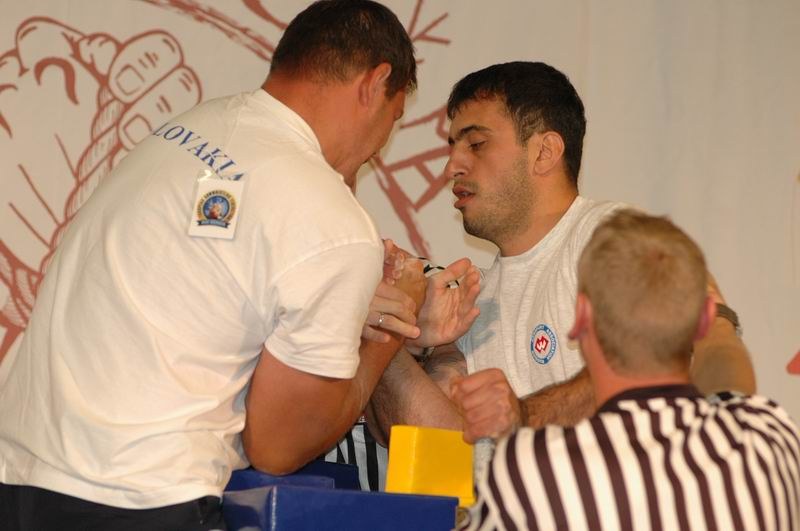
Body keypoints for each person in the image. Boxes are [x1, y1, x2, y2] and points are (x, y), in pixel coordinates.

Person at [0, 1, 427, 529]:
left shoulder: (186, 129)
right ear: (375, 82)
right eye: (396, 115)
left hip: (20, 471)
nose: (380, 145)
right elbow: (278, 445)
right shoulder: (333, 221)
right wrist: (393, 324)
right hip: (137, 493)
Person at [368, 62, 755, 469]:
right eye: (452, 147)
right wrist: (400, 330)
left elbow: (673, 363)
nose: (452, 167)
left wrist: (524, 415)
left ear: (545, 152)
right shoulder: (473, 300)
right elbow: (431, 448)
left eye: (476, 144)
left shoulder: (611, 236)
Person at [459, 210, 800, 530]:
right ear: (703, 321)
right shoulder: (770, 438)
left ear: (580, 317)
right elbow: (728, 374)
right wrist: (717, 319)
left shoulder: (536, 467)